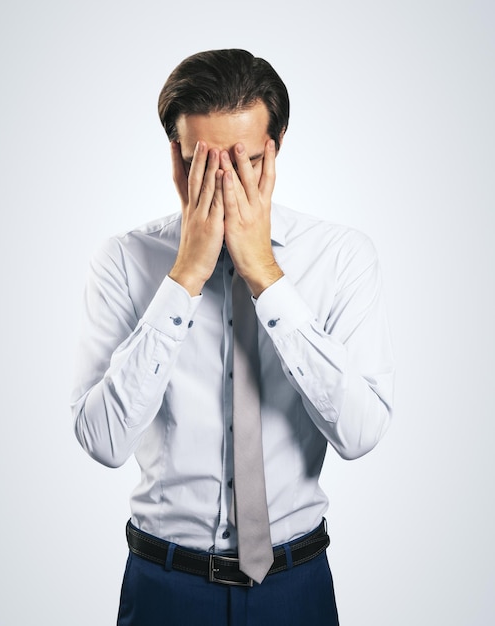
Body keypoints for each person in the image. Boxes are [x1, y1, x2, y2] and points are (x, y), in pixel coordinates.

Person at [71, 48, 394, 625]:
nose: (223, 184)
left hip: (295, 586)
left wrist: (266, 276)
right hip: (163, 586)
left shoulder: (341, 257)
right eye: (202, 162)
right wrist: (185, 276)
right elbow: (102, 440)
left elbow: (361, 433)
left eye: (242, 161)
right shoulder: (125, 260)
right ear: (176, 154)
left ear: (277, 148)